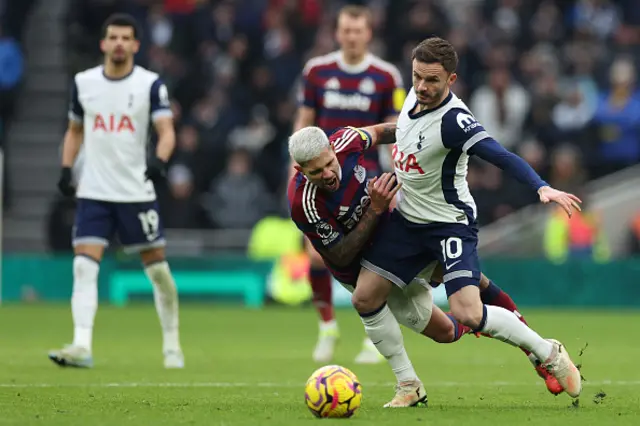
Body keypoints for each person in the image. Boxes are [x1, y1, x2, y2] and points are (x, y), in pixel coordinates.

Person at [356, 37, 583, 403]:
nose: (422, 87)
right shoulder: (413, 97)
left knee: (467, 311)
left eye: (432, 80)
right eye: (417, 77)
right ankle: (408, 385)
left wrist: (541, 187)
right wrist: (367, 135)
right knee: (365, 297)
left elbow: (500, 154)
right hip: (408, 223)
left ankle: (547, 352)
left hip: (449, 225)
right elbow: (403, 130)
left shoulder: (455, 120)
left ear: (452, 79)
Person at [288, 124, 562, 407]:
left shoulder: (347, 140)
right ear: (300, 170)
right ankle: (456, 344)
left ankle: (538, 353)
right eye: (316, 172)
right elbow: (340, 256)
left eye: (329, 164)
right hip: (360, 268)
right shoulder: (303, 203)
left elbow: (385, 132)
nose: (328, 175)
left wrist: (425, 136)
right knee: (446, 333)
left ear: (332, 149)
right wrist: (375, 208)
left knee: (471, 280)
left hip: (399, 237)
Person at [48, 13, 183, 369]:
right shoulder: (84, 83)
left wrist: (160, 159)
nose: (119, 43)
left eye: (126, 38)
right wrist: (66, 168)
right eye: (114, 37)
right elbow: (74, 130)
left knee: (158, 273)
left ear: (136, 45)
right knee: (83, 267)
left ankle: (171, 343)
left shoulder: (150, 84)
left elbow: (167, 130)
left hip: (136, 192)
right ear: (103, 43)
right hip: (94, 191)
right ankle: (81, 344)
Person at [294, 4, 405, 364]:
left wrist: (395, 177)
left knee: (374, 256)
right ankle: (327, 328)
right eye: (345, 30)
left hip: (368, 177)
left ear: (368, 33)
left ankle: (373, 336)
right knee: (317, 253)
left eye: (358, 31)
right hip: (322, 180)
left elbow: (394, 125)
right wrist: (293, 173)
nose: (351, 36)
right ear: (337, 33)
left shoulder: (386, 75)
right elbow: (304, 121)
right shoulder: (317, 71)